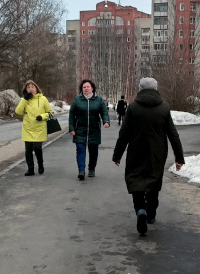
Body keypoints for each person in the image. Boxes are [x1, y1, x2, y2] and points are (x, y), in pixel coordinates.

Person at [112, 77, 184, 236]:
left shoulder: (133, 107)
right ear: (155, 89)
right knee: (154, 181)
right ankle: (150, 213)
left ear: (141, 89)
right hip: (157, 153)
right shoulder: (164, 108)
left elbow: (124, 134)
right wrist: (179, 157)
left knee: (136, 180)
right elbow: (173, 134)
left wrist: (117, 155)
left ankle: (140, 210)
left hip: (135, 151)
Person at [69, 79, 110, 180]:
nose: (86, 88)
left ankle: (91, 169)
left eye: (88, 87)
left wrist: (106, 121)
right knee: (80, 149)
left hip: (94, 130)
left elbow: (104, 112)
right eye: (84, 87)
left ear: (92, 88)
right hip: (80, 129)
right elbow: (71, 114)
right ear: (81, 89)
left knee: (93, 151)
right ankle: (81, 171)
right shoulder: (77, 100)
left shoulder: (99, 100)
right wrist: (72, 128)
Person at [14, 80, 53, 176]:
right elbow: (18, 111)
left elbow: (50, 113)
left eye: (32, 87)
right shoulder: (25, 100)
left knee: (37, 148)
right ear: (26, 90)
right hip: (28, 128)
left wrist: (42, 116)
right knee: (28, 150)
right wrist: (24, 100)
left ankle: (40, 165)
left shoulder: (43, 99)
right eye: (28, 87)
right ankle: (30, 169)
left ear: (36, 88)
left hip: (40, 128)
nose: (31, 89)